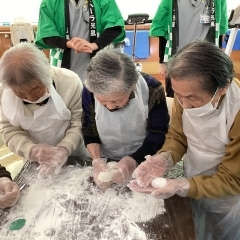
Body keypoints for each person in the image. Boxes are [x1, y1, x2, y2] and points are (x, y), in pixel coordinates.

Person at [128, 41, 240, 240]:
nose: (184, 105)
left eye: (192, 99)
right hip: (194, 173)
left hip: (229, 195)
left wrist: (182, 186)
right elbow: (178, 136)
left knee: (224, 232)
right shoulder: (185, 95)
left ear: (222, 88)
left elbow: (232, 179)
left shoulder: (236, 112)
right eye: (178, 96)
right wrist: (165, 158)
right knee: (196, 227)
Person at [82, 49, 170, 188]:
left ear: (133, 87)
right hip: (107, 157)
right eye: (102, 102)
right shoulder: (89, 89)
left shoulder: (152, 88)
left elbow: (158, 133)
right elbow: (89, 128)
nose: (110, 107)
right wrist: (97, 161)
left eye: (117, 100)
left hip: (145, 157)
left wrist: (133, 160)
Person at [0, 43, 88, 179]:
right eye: (21, 94)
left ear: (47, 73)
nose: (30, 97)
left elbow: (79, 123)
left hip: (74, 154)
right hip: (36, 162)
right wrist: (32, 150)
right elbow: (10, 130)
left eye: (35, 89)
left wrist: (64, 148)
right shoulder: (5, 92)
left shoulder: (69, 82)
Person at [150, 0, 228, 97]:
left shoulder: (219, 1)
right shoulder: (170, 1)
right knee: (176, 98)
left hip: (205, 60)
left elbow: (220, 30)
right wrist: (162, 62)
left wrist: (219, 60)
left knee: (203, 97)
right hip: (177, 60)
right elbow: (161, 29)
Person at [35, 0, 125, 82]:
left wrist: (95, 45)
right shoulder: (49, 2)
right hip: (61, 68)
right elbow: (46, 34)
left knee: (101, 97)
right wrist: (69, 44)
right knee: (65, 96)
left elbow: (115, 27)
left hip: (101, 65)